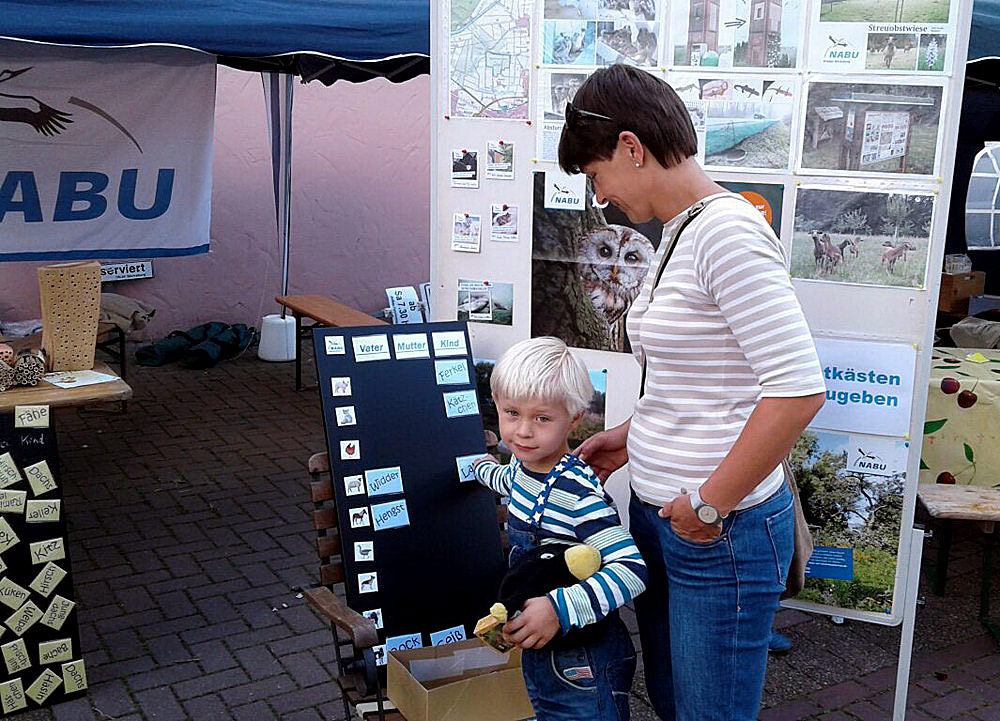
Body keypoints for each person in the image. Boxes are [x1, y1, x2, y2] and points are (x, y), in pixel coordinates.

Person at [559, 64, 826, 721]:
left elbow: (796, 390)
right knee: (681, 705)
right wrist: (632, 435)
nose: (602, 195)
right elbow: (700, 372)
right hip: (668, 518)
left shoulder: (726, 234)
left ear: (631, 147)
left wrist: (708, 505)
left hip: (716, 533)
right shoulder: (684, 230)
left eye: (597, 176)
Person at [473, 336, 648, 721]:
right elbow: (504, 479)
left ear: (575, 418)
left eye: (542, 418)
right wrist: (475, 466)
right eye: (511, 413)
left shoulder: (578, 494)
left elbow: (632, 570)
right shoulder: (523, 469)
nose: (522, 431)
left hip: (581, 660)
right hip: (544, 651)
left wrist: (558, 608)